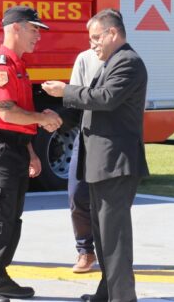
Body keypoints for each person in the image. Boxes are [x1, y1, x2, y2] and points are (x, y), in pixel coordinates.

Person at [42, 8, 149, 302]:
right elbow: (89, 108)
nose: (93, 45)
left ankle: (123, 298)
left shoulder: (128, 62)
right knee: (103, 235)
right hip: (102, 163)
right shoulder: (112, 62)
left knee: (115, 237)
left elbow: (105, 99)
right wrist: (54, 116)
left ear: (112, 33)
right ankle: (108, 292)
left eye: (95, 38)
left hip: (115, 163)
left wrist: (66, 90)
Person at [0, 6, 63, 302]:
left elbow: (18, 121)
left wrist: (32, 153)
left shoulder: (18, 66)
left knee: (12, 217)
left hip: (14, 148)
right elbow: (7, 114)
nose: (38, 35)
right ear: (16, 29)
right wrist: (42, 117)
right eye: (34, 29)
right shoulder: (2, 66)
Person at [66, 49, 102, 273]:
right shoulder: (84, 58)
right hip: (85, 133)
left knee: (107, 203)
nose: (94, 42)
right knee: (77, 193)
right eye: (91, 38)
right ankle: (85, 251)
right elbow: (74, 98)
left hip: (110, 140)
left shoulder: (123, 62)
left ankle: (111, 256)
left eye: (98, 36)